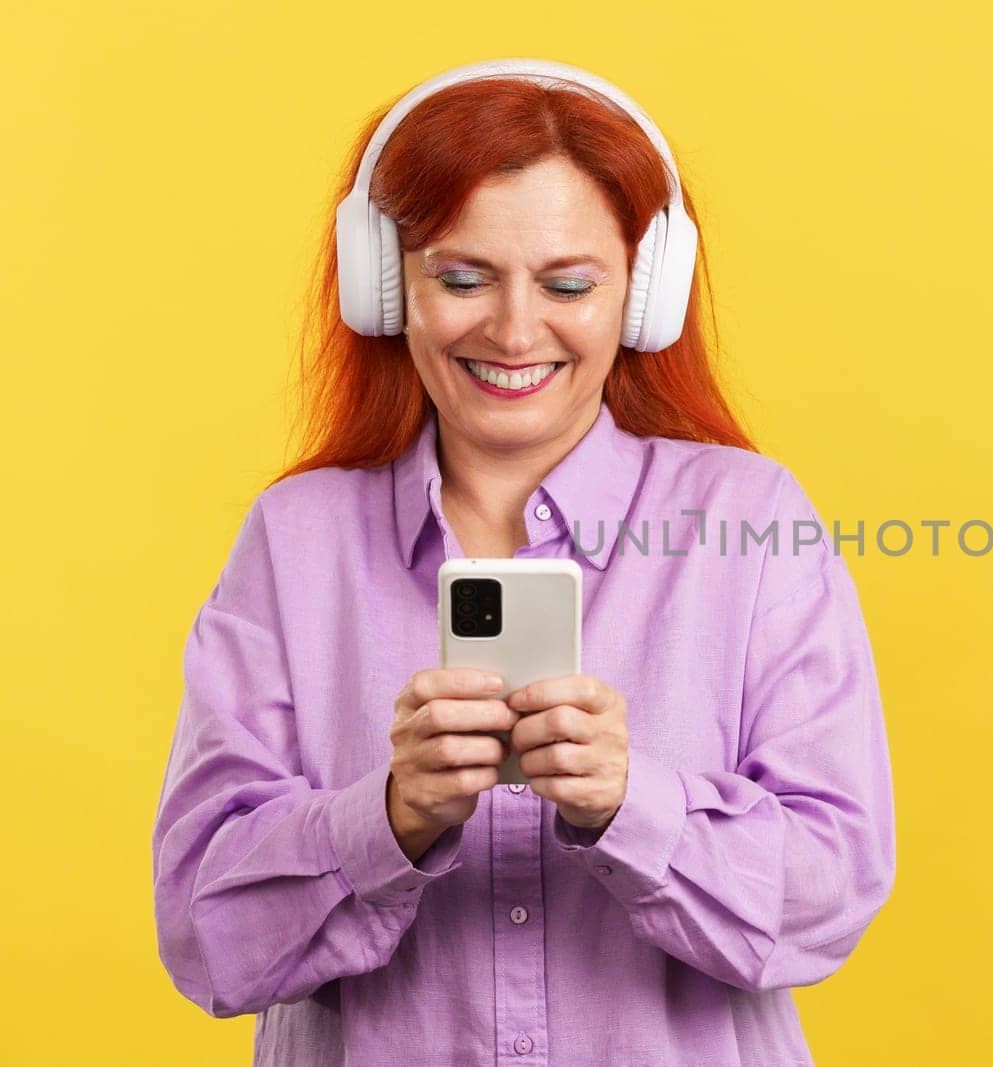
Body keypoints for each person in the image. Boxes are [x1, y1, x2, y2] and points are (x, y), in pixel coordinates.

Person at [151, 58, 895, 1066]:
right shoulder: (296, 540)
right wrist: (389, 817)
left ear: (643, 293)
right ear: (386, 285)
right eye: (461, 277)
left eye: (568, 284)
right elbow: (202, 936)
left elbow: (830, 892)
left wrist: (634, 802)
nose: (511, 329)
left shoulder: (751, 519)